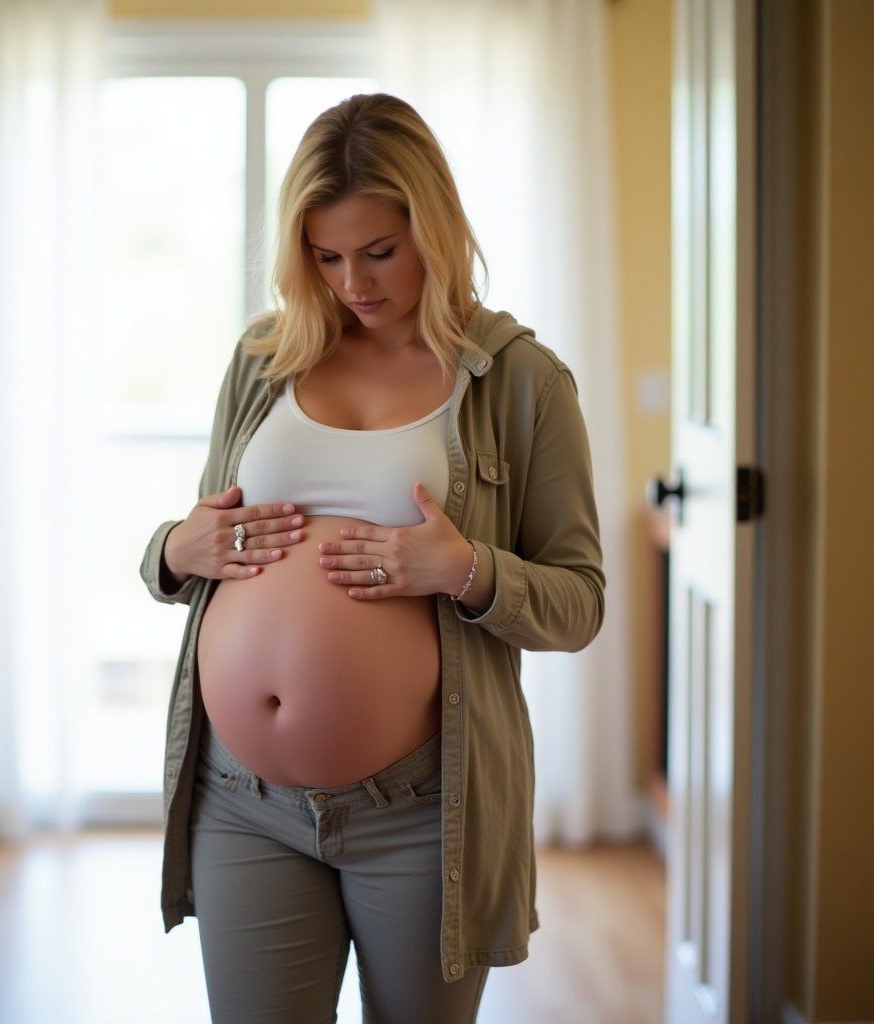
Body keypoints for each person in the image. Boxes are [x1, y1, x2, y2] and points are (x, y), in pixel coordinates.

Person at [140, 92, 604, 1024]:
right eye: (325, 255)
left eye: (380, 250)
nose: (354, 280)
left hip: (423, 812)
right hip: (240, 799)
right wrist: (171, 551)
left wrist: (464, 569)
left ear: (434, 224)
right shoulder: (264, 359)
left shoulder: (518, 379)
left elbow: (579, 601)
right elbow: (201, 535)